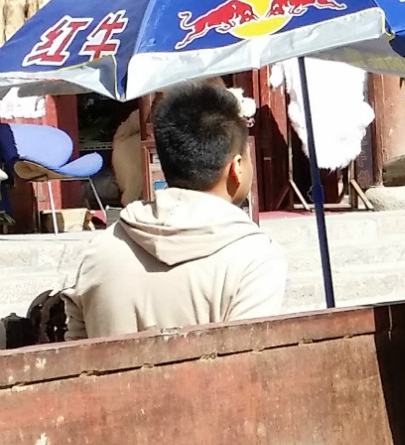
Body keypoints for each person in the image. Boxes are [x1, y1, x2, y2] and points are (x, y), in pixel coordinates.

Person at [65, 80, 286, 338]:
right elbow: (249, 361)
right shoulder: (255, 257)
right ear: (237, 167)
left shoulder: (101, 251)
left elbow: (75, 353)